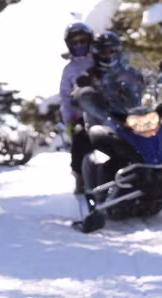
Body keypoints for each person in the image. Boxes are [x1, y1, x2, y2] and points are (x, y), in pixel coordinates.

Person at [59, 22, 94, 194]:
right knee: (80, 137)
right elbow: (65, 97)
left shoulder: (100, 60)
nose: (79, 45)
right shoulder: (69, 70)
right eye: (75, 42)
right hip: (84, 115)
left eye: (83, 41)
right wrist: (69, 120)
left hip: (109, 111)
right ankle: (80, 177)